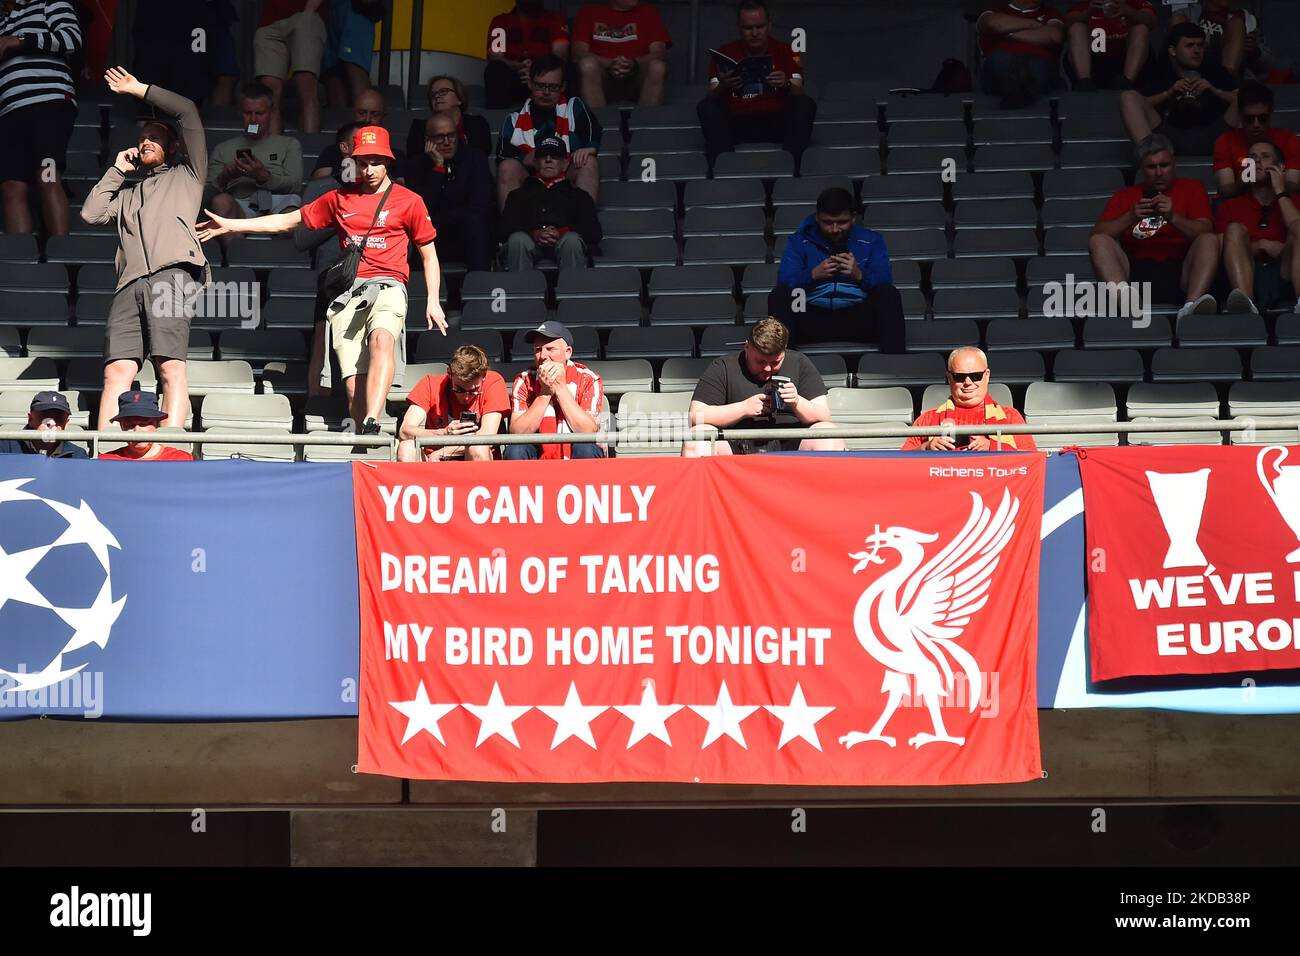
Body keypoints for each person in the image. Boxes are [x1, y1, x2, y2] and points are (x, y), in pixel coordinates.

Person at [198, 126, 448, 435]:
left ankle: (373, 417)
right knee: (353, 383)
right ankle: (363, 437)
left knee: (382, 339)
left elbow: (429, 253)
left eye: (375, 161)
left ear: (388, 162)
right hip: (348, 293)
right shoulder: (339, 198)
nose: (368, 169)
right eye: (362, 162)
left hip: (389, 285)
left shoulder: (409, 201)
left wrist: (434, 299)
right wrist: (232, 224)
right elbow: (287, 222)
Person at [81, 67, 210, 433]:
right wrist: (117, 170)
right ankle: (106, 448)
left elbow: (187, 112)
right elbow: (91, 214)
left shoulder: (189, 175)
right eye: (142, 139)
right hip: (128, 284)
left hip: (172, 276)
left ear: (173, 148)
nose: (146, 142)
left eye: (155, 137)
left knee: (170, 366)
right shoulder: (127, 194)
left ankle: (171, 445)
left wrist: (138, 89)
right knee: (117, 371)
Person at [1089, 133, 1220, 319]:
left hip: (1181, 269)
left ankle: (1191, 306)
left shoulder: (1192, 188)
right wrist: (1130, 216)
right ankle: (1127, 304)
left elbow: (1205, 231)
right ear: (1142, 169)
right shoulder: (1125, 195)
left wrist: (1173, 217)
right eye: (1151, 167)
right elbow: (1097, 236)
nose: (1159, 172)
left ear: (1174, 163)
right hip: (1136, 272)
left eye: (1164, 165)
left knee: (1209, 239)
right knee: (1099, 241)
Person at [769, 187, 904, 353]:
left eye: (842, 222)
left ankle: (895, 361)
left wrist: (859, 275)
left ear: (853, 218)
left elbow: (885, 280)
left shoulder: (871, 240)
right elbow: (785, 280)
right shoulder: (799, 241)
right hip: (812, 316)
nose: (834, 229)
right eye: (827, 222)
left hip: (857, 317)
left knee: (888, 294)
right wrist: (812, 275)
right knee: (780, 296)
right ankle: (781, 365)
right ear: (817, 218)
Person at [684, 317, 844, 457]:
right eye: (760, 362)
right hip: (736, 443)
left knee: (829, 436)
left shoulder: (799, 363)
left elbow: (824, 416)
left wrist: (797, 402)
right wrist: (743, 409)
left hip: (790, 442)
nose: (767, 369)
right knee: (697, 439)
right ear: (747, 347)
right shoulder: (724, 367)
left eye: (775, 362)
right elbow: (696, 416)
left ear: (784, 351)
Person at [697, 0, 816, 171]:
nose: (754, 33)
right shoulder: (724, 52)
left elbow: (799, 91)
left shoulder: (785, 50)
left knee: (805, 104)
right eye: (748, 28)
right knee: (706, 107)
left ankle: (792, 168)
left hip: (775, 119)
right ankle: (725, 170)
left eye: (760, 27)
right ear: (739, 27)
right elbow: (711, 95)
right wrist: (723, 85)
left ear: (769, 25)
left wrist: (786, 84)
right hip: (737, 121)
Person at [0, 0, 81, 237]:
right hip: (7, 110)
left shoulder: (50, 2)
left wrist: (19, 40)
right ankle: (21, 266)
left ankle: (60, 254)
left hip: (48, 104)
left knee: (47, 177)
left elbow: (71, 40)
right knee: (11, 188)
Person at [496, 54, 602, 209]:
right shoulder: (513, 119)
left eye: (553, 87)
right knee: (507, 167)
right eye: (540, 86)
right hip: (531, 182)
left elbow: (593, 132)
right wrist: (526, 158)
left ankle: (583, 227)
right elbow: (502, 157)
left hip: (567, 179)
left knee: (589, 162)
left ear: (563, 86)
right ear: (530, 84)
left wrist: (590, 148)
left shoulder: (574, 107)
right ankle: (513, 229)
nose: (546, 92)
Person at [1121, 22, 1238, 157]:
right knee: (1127, 97)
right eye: (1189, 45)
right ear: (1173, 50)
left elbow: (1244, 99)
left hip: (1214, 133)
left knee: (1247, 96)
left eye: (1200, 45)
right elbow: (1140, 103)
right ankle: (1153, 160)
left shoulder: (1214, 70)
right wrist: (1168, 93)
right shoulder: (1159, 72)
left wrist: (1215, 90)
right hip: (1168, 135)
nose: (1196, 51)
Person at [1214, 139, 1300, 315]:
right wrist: (1258, 246)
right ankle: (1246, 307)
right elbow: (1222, 249)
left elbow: (1296, 229)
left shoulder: (1295, 201)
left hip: (1286, 273)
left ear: (1281, 167)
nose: (1257, 161)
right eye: (1252, 157)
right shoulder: (1230, 206)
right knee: (1235, 229)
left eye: (1265, 156)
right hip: (1247, 273)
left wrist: (1280, 191)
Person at [205, 82, 304, 232]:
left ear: (271, 112)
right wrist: (225, 177)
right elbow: (206, 195)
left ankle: (285, 253)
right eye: (248, 113)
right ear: (240, 113)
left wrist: (264, 177)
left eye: (259, 113)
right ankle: (235, 252)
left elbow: (296, 185)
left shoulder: (288, 144)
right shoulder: (223, 148)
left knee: (293, 210)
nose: (253, 120)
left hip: (279, 201)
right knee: (220, 202)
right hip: (240, 204)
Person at [405, 112, 494, 272]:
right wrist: (438, 169)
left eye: (451, 136)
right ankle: (419, 292)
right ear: (428, 140)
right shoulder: (416, 165)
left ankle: (480, 286)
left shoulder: (475, 159)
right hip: (434, 238)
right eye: (440, 137)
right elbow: (423, 211)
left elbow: (480, 205)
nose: (447, 142)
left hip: (467, 235)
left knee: (476, 222)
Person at [901, 347, 1036, 452]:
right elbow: (901, 463)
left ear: (987, 375)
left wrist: (992, 446)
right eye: (959, 377)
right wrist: (927, 447)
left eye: (976, 376)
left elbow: (1030, 461)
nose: (968, 382)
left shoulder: (1010, 417)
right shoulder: (928, 419)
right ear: (949, 378)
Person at [499, 136, 601, 271]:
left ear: (565, 163)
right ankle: (521, 291)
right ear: (535, 163)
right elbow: (503, 229)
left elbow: (593, 232)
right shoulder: (518, 194)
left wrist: (561, 232)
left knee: (571, 240)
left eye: (554, 157)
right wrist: (534, 233)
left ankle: (572, 291)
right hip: (529, 243)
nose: (548, 160)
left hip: (565, 244)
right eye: (543, 157)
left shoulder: (579, 196)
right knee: (518, 240)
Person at [506, 320, 604, 461]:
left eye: (550, 349)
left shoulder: (588, 378)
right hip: (537, 448)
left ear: (568, 352)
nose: (543, 356)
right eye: (538, 350)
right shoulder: (524, 380)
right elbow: (517, 432)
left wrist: (560, 388)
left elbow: (588, 430)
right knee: (516, 450)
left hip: (576, 446)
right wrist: (545, 394)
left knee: (586, 448)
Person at [397, 345, 509, 462]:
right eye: (459, 390)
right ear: (449, 374)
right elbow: (405, 431)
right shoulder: (430, 384)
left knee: (478, 447)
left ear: (484, 377)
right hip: (433, 461)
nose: (466, 397)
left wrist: (443, 453)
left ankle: (479, 481)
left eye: (473, 391)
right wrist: (443, 433)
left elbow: (487, 436)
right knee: (407, 447)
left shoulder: (494, 382)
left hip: (472, 456)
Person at [572, 0, 670, 108]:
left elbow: (659, 53)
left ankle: (646, 122)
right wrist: (609, 63)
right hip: (603, 76)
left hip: (637, 75)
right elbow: (578, 53)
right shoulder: (589, 12)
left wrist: (634, 62)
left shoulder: (648, 12)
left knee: (658, 66)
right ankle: (599, 121)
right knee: (587, 64)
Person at [1212, 81, 1300, 199]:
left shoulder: (1288, 139)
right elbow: (1225, 190)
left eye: (1262, 118)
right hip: (1239, 203)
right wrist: (1245, 180)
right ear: (1240, 116)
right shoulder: (1225, 140)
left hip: (1278, 202)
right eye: (1249, 119)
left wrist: (1270, 177)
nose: (1256, 124)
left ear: (1270, 114)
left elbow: (1293, 185)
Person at [253, 0, 327, 134]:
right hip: (270, 20)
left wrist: (309, 9)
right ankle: (273, 152)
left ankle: (310, 150)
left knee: (306, 84)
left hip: (306, 14)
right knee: (269, 92)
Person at [976, 0, 1065, 107]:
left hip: (1038, 64)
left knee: (1035, 65)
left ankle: (1018, 89)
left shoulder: (1051, 13)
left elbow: (1053, 36)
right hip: (1002, 65)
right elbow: (994, 24)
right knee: (999, 57)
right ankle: (1016, 88)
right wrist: (1033, 24)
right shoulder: (995, 10)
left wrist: (1010, 34)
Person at [484, 1, 570, 110]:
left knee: (566, 69)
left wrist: (536, 69)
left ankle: (564, 118)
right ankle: (497, 119)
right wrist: (516, 66)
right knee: (495, 69)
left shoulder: (555, 19)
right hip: (513, 76)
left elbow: (560, 54)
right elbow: (495, 56)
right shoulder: (500, 21)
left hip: (545, 78)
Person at [1063, 0, 1155, 91]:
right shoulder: (1088, 5)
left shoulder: (1135, 3)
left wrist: (1130, 12)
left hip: (1126, 62)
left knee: (1141, 28)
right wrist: (1086, 14)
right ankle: (1084, 82)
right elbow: (1067, 23)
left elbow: (1152, 21)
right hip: (1095, 62)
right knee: (1077, 28)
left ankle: (1126, 82)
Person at [404, 75, 492, 162]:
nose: (437, 96)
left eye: (443, 91)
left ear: (459, 99)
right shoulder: (419, 128)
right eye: (433, 94)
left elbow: (480, 158)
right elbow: (414, 162)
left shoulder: (477, 124)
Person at [97, 391, 194, 461]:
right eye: (130, 425)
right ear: (122, 426)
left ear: (156, 424)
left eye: (144, 423)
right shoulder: (107, 461)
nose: (137, 430)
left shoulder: (180, 460)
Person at [321, 0, 376, 110]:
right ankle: (342, 127)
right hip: (328, 9)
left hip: (354, 9)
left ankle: (366, 127)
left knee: (354, 66)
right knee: (332, 72)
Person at [1171, 0, 1247, 78]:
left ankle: (1225, 81)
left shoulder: (1241, 18)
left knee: (1237, 24)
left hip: (1223, 74)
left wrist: (1252, 52)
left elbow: (1257, 65)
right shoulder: (1186, 15)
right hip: (1191, 71)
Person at [0, 392, 88, 458]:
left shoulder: (77, 456)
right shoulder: (5, 448)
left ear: (66, 423)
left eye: (58, 417)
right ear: (30, 419)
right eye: (45, 415)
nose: (51, 423)